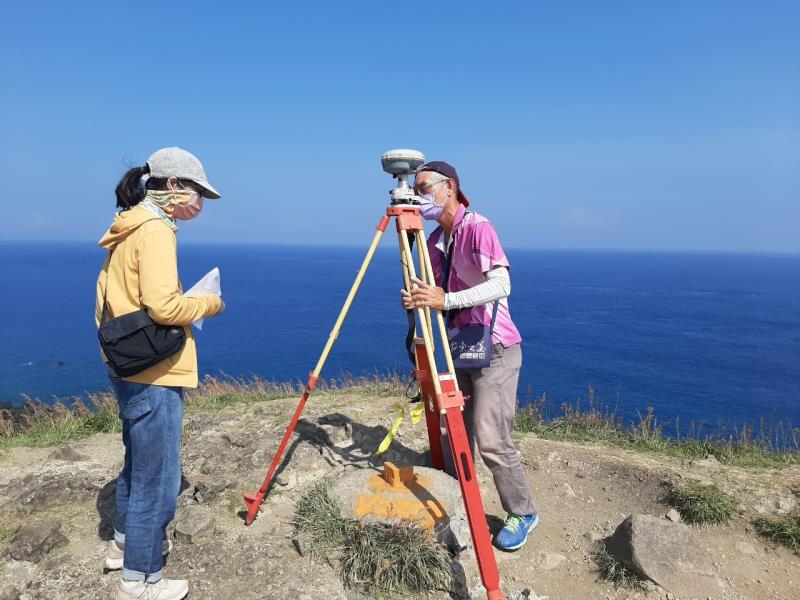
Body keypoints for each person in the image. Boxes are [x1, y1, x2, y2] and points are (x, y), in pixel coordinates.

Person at [96, 147, 225, 599]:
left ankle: (124, 545)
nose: (199, 202)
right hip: (155, 372)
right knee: (160, 478)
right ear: (173, 185)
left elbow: (110, 298)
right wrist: (209, 303)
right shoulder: (154, 231)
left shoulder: (128, 225)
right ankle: (141, 578)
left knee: (138, 463)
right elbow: (165, 308)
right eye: (196, 191)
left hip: (127, 362)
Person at [401, 161, 539, 551]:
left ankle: (523, 512)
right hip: (459, 345)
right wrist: (421, 298)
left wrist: (446, 299)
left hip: (495, 348)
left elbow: (501, 283)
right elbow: (435, 296)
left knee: (491, 437)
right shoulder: (433, 242)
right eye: (415, 190)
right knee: (452, 429)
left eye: (424, 188)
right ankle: (459, 497)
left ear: (450, 187)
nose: (420, 197)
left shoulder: (478, 227)